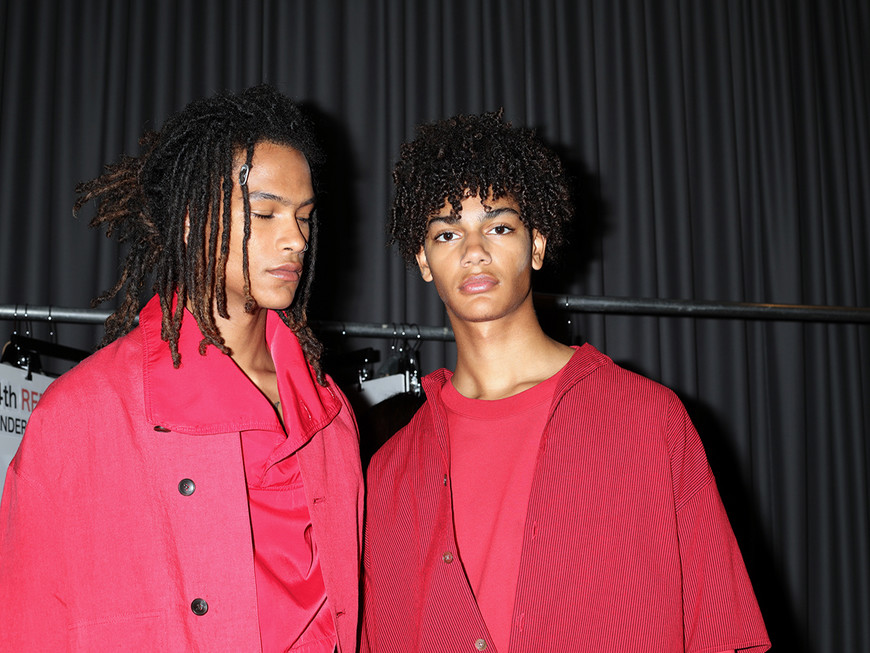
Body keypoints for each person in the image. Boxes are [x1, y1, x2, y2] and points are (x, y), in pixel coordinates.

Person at [361, 111, 770, 653]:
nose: (474, 249)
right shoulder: (393, 468)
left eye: (499, 226)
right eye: (447, 232)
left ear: (536, 244)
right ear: (424, 260)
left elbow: (722, 631)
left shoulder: (648, 419)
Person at [0, 85, 363, 652]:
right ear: (194, 219)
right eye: (266, 213)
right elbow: (27, 626)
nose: (295, 238)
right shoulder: (83, 415)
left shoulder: (331, 415)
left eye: (304, 217)